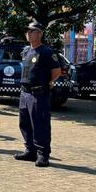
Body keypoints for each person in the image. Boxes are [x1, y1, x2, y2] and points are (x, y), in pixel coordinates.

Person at [14, 21, 61, 167]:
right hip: (25, 93)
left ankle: (43, 154)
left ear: (40, 33)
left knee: (40, 124)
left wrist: (47, 82)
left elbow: (57, 72)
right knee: (25, 123)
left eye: (32, 31)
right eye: (27, 31)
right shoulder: (26, 51)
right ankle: (30, 151)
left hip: (38, 94)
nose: (28, 34)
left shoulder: (47, 52)